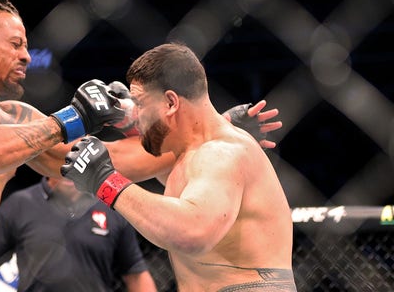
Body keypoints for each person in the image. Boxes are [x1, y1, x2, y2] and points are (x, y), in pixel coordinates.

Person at [0, 0, 281, 291]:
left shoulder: (16, 118)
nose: (28, 55)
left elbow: (95, 162)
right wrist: (72, 118)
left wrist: (206, 130)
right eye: (16, 43)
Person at [61, 42, 297, 291]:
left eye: (140, 104)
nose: (136, 114)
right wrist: (123, 113)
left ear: (171, 103)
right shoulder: (189, 157)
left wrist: (105, 180)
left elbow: (193, 231)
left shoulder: (221, 153)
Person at [0, 175, 157, 292]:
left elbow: (136, 274)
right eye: (62, 161)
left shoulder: (110, 209)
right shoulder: (20, 204)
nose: (69, 169)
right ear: (47, 162)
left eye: (75, 161)